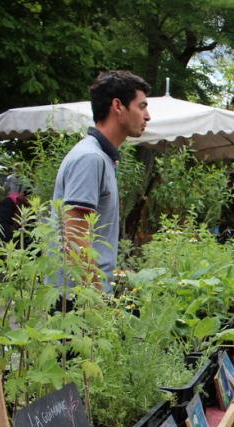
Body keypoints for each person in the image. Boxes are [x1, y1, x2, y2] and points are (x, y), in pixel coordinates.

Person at [52, 70, 151, 292]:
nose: (147, 116)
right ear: (118, 106)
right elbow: (75, 238)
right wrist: (97, 301)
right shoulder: (91, 158)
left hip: (84, 297)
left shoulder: (103, 157)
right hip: (77, 301)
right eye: (142, 106)